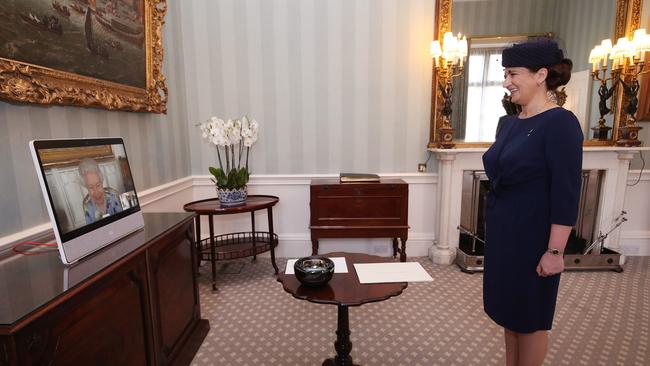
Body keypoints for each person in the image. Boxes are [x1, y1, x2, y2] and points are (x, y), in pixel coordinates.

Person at [482, 39, 583, 366]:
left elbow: (566, 193)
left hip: (533, 238)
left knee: (531, 319)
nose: (506, 81)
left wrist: (555, 252)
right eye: (505, 73)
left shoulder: (561, 124)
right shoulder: (509, 122)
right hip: (504, 236)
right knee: (510, 316)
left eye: (513, 73)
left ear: (541, 75)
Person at [78, 158, 123, 224]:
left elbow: (123, 220)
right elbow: (91, 230)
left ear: (102, 182)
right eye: (91, 187)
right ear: (86, 187)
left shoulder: (113, 195)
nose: (96, 191)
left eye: (98, 185)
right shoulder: (87, 205)